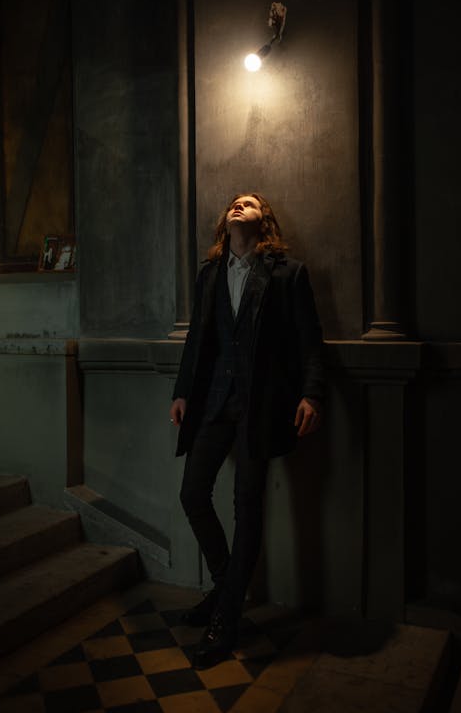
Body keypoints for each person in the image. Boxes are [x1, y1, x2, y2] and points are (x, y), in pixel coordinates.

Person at [169, 192, 324, 669]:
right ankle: (226, 587)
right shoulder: (209, 273)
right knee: (193, 493)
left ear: (265, 221)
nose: (239, 205)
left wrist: (312, 394)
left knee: (247, 508)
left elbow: (309, 341)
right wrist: (182, 391)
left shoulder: (287, 273)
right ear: (225, 221)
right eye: (234, 202)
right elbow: (199, 338)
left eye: (250, 202)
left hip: (261, 408)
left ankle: (228, 616)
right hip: (214, 403)